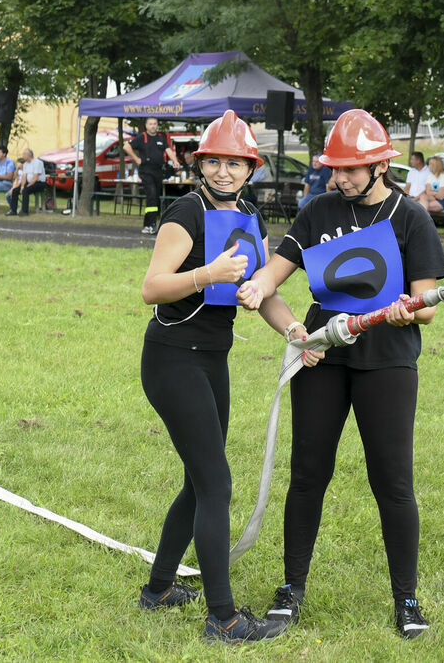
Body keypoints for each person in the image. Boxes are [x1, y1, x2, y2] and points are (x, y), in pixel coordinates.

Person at [237, 109, 444, 640]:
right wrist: (258, 289)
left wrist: (410, 308)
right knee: (308, 473)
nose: (341, 178)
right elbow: (276, 270)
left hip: (388, 359)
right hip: (321, 355)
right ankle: (290, 589)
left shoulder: (410, 217)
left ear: (381, 165)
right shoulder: (317, 211)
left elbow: (427, 305)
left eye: (352, 169)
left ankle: (407, 599)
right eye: (336, 169)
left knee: (392, 481)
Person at [139, 110, 303, 644]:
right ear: (200, 163)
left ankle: (160, 589)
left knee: (199, 478)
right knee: (217, 483)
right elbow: (153, 287)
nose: (225, 171)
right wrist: (208, 274)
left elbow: (263, 292)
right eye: (215, 161)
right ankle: (224, 619)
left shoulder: (247, 217)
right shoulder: (185, 212)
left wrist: (293, 330)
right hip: (172, 359)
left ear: (250, 168)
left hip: (213, 359)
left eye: (235, 162)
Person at [123, 117, 180, 235]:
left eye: (155, 124)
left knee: (156, 198)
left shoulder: (161, 138)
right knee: (152, 196)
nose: (153, 126)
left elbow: (168, 150)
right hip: (146, 171)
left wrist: (175, 160)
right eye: (150, 124)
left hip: (158, 171)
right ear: (146, 125)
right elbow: (126, 146)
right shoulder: (141, 137)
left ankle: (152, 223)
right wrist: (136, 159)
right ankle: (149, 225)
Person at [6, 149, 47, 216]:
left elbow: (35, 177)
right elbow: (24, 176)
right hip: (29, 182)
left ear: (29, 155)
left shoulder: (38, 162)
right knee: (15, 190)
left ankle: (25, 211)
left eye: (24, 154)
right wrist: (22, 186)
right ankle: (13, 210)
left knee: (26, 190)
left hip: (39, 183)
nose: (23, 156)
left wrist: (27, 186)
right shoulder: (25, 164)